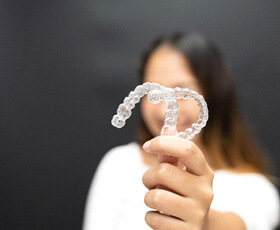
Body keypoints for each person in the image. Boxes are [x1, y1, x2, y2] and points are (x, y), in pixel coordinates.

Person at [83, 32, 280, 230]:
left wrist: (204, 223)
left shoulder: (256, 190)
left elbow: (243, 223)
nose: (164, 110)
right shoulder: (118, 164)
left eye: (183, 91)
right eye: (153, 93)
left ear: (213, 94)